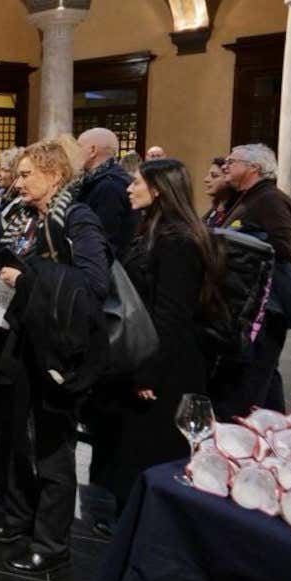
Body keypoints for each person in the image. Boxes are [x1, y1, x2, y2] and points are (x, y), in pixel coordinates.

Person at [0, 138, 111, 576]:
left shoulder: (78, 219)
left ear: (56, 175)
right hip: (13, 339)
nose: (17, 181)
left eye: (27, 174)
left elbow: (92, 285)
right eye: (19, 174)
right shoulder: (23, 216)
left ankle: (52, 542)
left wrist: (26, 279)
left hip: (54, 349)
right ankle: (18, 514)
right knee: (3, 431)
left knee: (52, 447)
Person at [89, 159, 223, 519]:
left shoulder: (178, 240)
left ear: (159, 188)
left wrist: (149, 372)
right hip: (147, 353)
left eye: (135, 183)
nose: (128, 189)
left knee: (149, 449)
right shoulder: (152, 230)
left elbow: (171, 314)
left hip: (166, 362)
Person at [210, 143, 291, 416]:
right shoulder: (247, 198)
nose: (226, 166)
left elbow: (283, 245)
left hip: (264, 308)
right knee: (265, 382)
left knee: (250, 380)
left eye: (232, 162)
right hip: (250, 303)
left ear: (253, 168)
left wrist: (241, 239)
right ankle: (272, 440)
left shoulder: (269, 198)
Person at [76, 128, 138, 258]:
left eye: (78, 147)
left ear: (93, 151)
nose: (74, 153)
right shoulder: (100, 180)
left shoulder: (110, 186)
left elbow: (103, 238)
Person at [201, 156, 234, 227]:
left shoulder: (235, 212)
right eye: (208, 175)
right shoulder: (215, 208)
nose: (206, 179)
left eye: (214, 176)